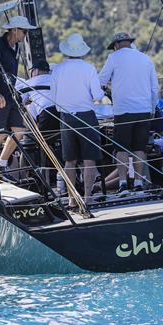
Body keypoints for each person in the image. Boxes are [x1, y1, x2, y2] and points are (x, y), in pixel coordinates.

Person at [98, 32, 159, 193]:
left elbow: (101, 80)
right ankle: (139, 183)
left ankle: (123, 184)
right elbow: (154, 88)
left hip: (123, 110)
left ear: (116, 45)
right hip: (144, 109)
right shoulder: (146, 59)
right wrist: (152, 109)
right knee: (140, 148)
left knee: (121, 148)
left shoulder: (114, 58)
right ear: (130, 43)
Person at [0, 15, 38, 176]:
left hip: (9, 94)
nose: (26, 35)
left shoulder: (16, 47)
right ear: (15, 30)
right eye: (24, 32)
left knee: (18, 131)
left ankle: (0, 165)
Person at [51, 33, 104, 205]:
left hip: (66, 117)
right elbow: (97, 95)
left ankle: (72, 199)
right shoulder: (89, 68)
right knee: (90, 160)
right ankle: (88, 197)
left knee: (69, 161)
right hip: (86, 116)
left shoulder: (58, 69)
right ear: (82, 50)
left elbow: (53, 96)